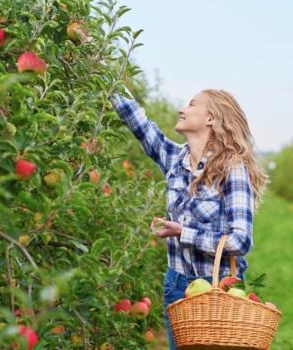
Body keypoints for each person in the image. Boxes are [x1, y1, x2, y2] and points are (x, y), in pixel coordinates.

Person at [108, 86, 268, 350]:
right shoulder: (174, 159)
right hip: (177, 285)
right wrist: (98, 59)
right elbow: (136, 120)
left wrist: (183, 232)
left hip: (218, 290)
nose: (182, 109)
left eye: (192, 104)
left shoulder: (232, 169)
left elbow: (240, 241)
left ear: (211, 118)